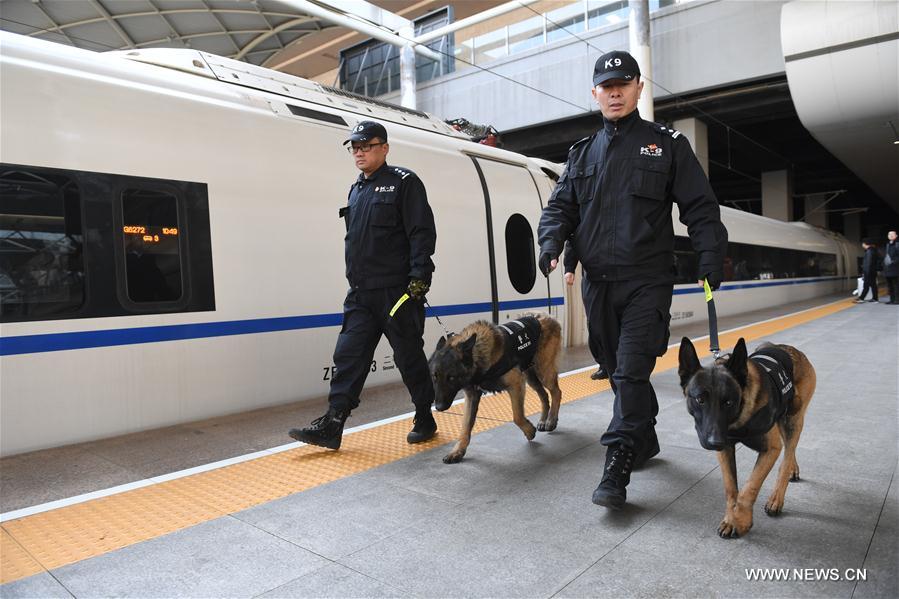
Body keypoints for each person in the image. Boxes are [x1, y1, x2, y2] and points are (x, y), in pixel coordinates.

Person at [537, 50, 728, 509]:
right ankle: (644, 437)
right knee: (620, 374)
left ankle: (618, 463)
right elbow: (561, 207)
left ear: (640, 87)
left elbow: (700, 208)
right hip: (598, 285)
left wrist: (710, 255)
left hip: (648, 280)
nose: (615, 91)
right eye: (606, 85)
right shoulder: (582, 153)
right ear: (595, 93)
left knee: (631, 368)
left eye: (623, 83)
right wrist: (550, 243)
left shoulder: (667, 145)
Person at [289, 121, 438, 449]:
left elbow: (421, 232)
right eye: (354, 147)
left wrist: (419, 277)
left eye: (365, 146)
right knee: (348, 355)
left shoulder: (405, 183)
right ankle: (333, 423)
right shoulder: (356, 189)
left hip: (397, 291)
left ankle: (424, 415)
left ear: (384, 148)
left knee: (408, 355)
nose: (358, 152)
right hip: (361, 293)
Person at [563, 238, 608, 380]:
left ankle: (624, 364)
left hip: (625, 275)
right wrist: (570, 267)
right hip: (594, 276)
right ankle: (604, 365)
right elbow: (574, 237)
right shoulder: (584, 215)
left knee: (622, 322)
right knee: (595, 323)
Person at [855, 238, 880, 303]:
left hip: (869, 271)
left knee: (866, 285)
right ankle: (874, 298)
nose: (862, 245)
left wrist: (865, 272)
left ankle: (862, 298)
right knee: (873, 285)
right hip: (872, 271)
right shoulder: (873, 250)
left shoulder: (869, 252)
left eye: (862, 243)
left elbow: (868, 263)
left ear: (865, 244)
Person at [884, 231, 898, 304]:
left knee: (896, 285)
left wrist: (893, 261)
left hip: (896, 268)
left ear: (896, 235)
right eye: (889, 234)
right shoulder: (888, 245)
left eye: (892, 234)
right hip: (888, 268)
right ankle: (892, 299)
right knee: (890, 285)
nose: (890, 235)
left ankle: (897, 300)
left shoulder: (897, 244)